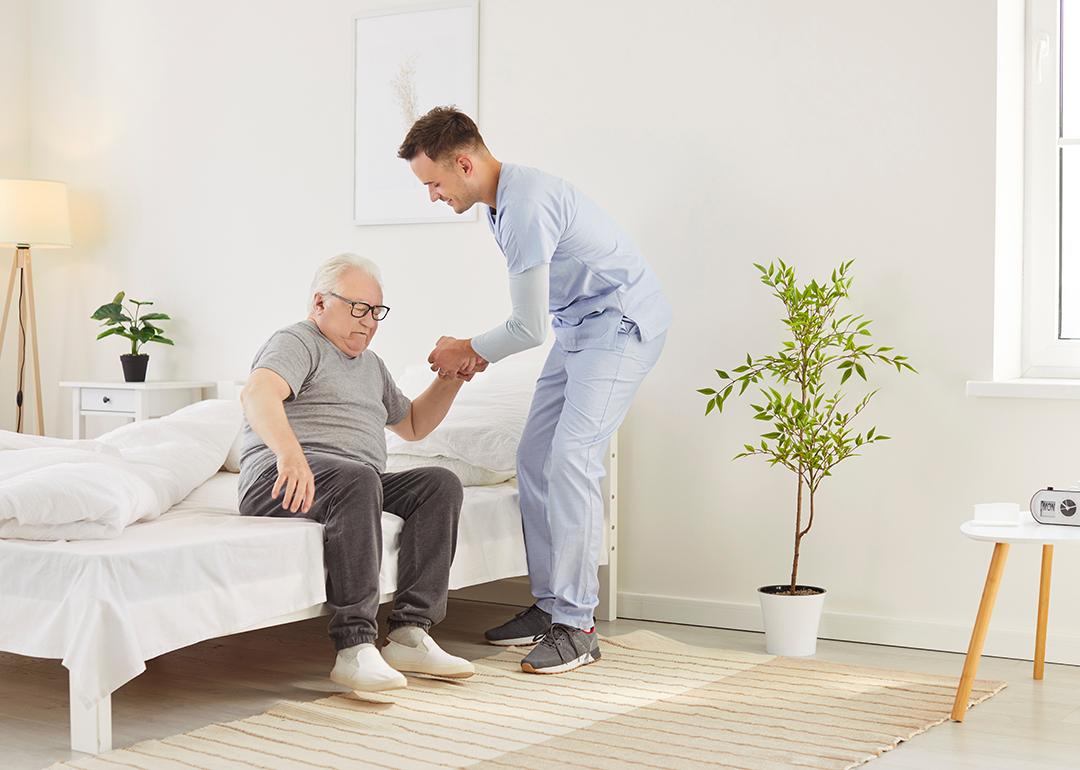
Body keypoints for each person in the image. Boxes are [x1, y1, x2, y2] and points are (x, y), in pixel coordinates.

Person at [398, 108, 671, 674]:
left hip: (619, 323)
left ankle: (578, 624)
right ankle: (550, 606)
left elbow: (526, 328)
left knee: (572, 456)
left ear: (465, 163)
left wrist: (464, 347)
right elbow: (538, 320)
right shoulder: (501, 203)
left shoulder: (524, 205)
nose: (432, 196)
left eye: (434, 183)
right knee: (534, 455)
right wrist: (471, 350)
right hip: (579, 327)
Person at [238, 252, 475, 692]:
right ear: (319, 303)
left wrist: (451, 378)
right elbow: (258, 393)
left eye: (376, 312)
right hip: (280, 477)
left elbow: (414, 425)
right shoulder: (298, 341)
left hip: (349, 481)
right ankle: (354, 646)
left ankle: (409, 633)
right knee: (358, 478)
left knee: (438, 484)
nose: (368, 321)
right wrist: (289, 454)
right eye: (357, 307)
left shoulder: (371, 366)